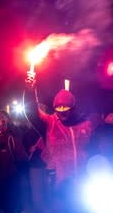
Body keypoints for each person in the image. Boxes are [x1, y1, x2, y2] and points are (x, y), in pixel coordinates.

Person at [25, 72, 94, 211]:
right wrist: (30, 90)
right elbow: (32, 112)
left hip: (83, 181)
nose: (61, 111)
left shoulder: (85, 124)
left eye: (65, 107)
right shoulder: (50, 122)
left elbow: (93, 149)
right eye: (58, 108)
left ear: (73, 108)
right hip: (58, 182)